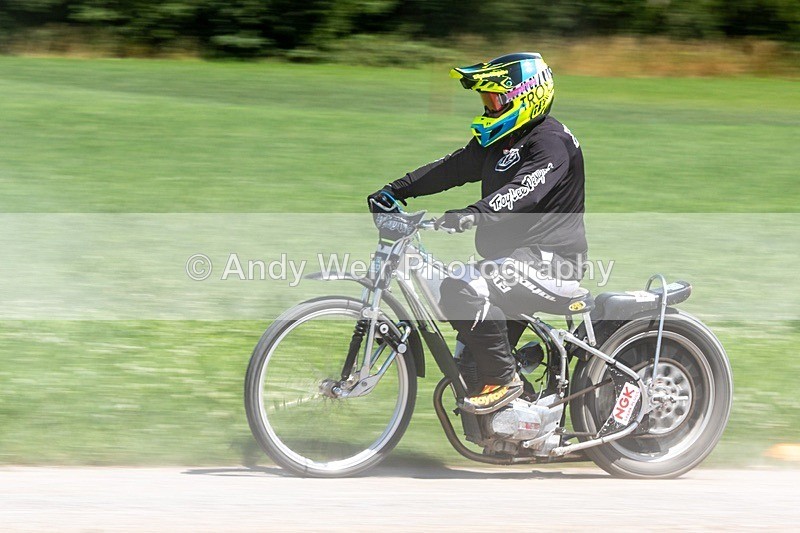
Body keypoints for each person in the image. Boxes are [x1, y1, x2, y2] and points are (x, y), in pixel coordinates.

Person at [368, 52, 588, 414]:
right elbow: (451, 169)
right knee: (469, 362)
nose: (489, 107)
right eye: (486, 100)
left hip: (553, 264)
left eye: (495, 99)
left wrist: (474, 214)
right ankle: (520, 424)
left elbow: (524, 188)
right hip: (514, 265)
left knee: (461, 288)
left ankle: (506, 381)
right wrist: (395, 191)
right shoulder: (501, 140)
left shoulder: (549, 142)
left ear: (526, 95)